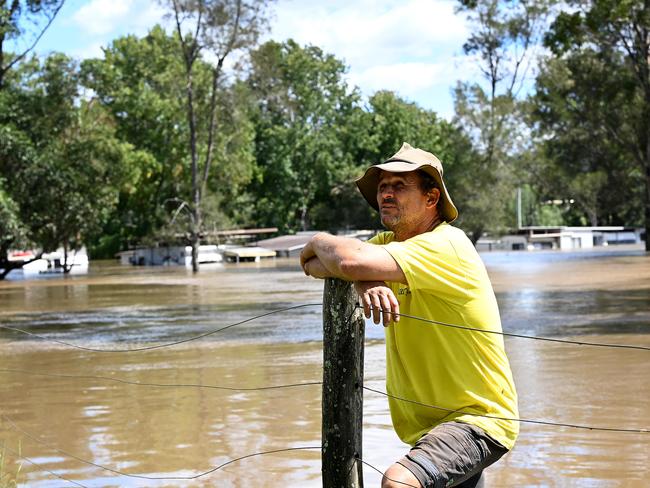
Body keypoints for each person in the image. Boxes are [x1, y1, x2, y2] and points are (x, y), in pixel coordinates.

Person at [300, 142, 518, 488]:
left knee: (399, 482)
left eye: (399, 186)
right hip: (434, 425)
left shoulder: (446, 245)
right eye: (383, 186)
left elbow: (343, 260)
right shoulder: (390, 244)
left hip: (477, 420)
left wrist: (334, 251)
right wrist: (363, 281)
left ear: (431, 199)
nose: (386, 193)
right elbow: (313, 262)